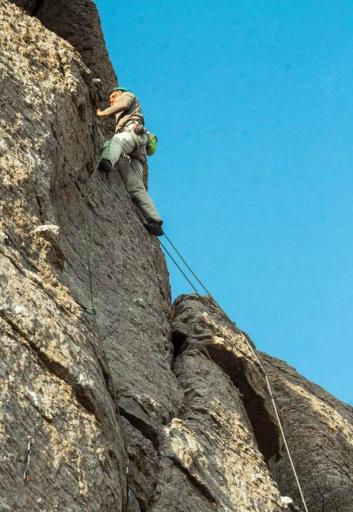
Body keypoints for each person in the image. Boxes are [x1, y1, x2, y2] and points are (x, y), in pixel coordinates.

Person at [97, 86, 163, 236]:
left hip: (133, 134)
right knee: (135, 186)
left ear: (119, 92)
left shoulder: (127, 95)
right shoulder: (125, 106)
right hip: (137, 152)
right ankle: (154, 221)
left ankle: (107, 161)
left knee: (117, 141)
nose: (112, 100)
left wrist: (104, 112)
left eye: (113, 96)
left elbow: (123, 105)